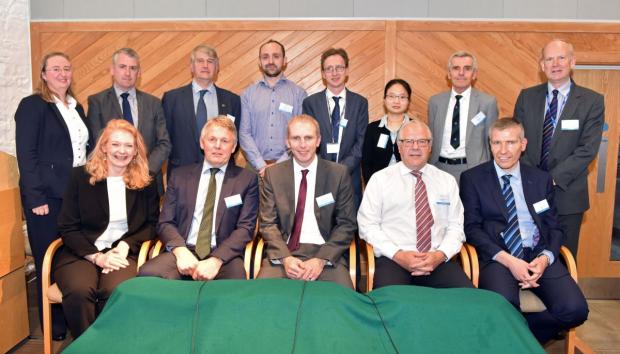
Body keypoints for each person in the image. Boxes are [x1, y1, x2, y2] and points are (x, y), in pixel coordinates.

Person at [460, 118, 588, 343]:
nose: (503, 151)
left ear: (523, 144)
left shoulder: (540, 179)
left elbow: (554, 227)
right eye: (496, 143)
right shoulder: (473, 179)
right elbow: (471, 228)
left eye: (510, 142)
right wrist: (510, 261)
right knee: (504, 307)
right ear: (490, 145)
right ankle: (517, 340)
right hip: (498, 257)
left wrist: (545, 259)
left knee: (575, 309)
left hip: (537, 253)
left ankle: (519, 339)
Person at [55, 119, 159, 338]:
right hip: (82, 252)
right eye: (115, 144)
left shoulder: (147, 181)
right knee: (79, 290)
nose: (122, 151)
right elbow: (67, 226)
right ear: (104, 146)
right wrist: (96, 257)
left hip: (123, 254)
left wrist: (125, 245)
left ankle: (112, 344)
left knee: (116, 291)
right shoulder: (80, 177)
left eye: (128, 146)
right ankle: (86, 345)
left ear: (135, 150)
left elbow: (152, 224)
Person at [15, 51, 90, 341]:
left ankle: (72, 319)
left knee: (70, 257)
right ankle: (53, 327)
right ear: (44, 74)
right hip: (46, 197)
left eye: (67, 68)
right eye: (55, 68)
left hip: (75, 195)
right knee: (48, 258)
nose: (62, 73)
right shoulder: (33, 106)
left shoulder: (75, 106)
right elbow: (27, 154)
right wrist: (35, 199)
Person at [514, 39, 604, 257]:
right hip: (529, 191)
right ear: (542, 65)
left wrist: (549, 179)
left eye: (561, 57)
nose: (555, 64)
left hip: (568, 194)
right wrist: (534, 179)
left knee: (564, 258)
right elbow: (517, 141)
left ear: (572, 62)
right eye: (549, 59)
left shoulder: (592, 101)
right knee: (528, 252)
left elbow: (587, 149)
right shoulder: (527, 97)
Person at [139, 117, 259, 280]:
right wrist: (180, 251)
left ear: (233, 147)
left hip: (224, 256)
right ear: (202, 143)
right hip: (184, 250)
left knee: (234, 289)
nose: (217, 145)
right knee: (149, 275)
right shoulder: (179, 176)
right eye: (212, 139)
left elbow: (246, 228)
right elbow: (165, 222)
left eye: (225, 141)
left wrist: (216, 260)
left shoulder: (247, 180)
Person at [358, 120, 472, 290]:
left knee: (468, 299)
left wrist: (440, 255)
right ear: (399, 146)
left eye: (422, 142)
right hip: (394, 259)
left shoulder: (446, 181)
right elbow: (368, 226)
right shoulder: (380, 180)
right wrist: (398, 255)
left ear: (430, 147)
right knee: (389, 304)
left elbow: (456, 227)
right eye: (409, 141)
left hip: (436, 260)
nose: (415, 147)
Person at [257, 115, 356, 288]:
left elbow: (346, 224)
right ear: (287, 142)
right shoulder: (273, 175)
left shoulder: (338, 174)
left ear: (318, 140)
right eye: (296, 138)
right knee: (261, 299)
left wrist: (320, 260)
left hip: (326, 254)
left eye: (308, 138)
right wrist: (286, 258)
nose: (302, 145)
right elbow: (267, 223)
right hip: (283, 252)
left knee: (341, 303)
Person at [87, 47, 171, 195]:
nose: (127, 73)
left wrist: (143, 170)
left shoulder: (154, 103)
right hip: (109, 180)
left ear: (138, 73)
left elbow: (164, 143)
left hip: (147, 181)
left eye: (133, 68)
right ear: (112, 70)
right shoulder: (97, 102)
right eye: (122, 67)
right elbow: (98, 141)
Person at [302, 48, 368, 207]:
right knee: (320, 227)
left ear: (346, 70)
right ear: (323, 74)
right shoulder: (311, 103)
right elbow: (309, 141)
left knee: (348, 228)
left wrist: (342, 169)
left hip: (349, 178)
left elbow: (361, 142)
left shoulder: (360, 103)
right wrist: (325, 169)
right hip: (319, 177)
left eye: (339, 67)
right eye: (329, 69)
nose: (334, 73)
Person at [162, 45, 241, 174]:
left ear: (217, 67)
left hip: (221, 173)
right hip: (181, 174)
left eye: (210, 61)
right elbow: (165, 139)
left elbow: (236, 140)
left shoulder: (232, 100)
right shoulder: (171, 99)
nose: (205, 65)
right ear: (192, 67)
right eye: (200, 61)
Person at [239, 39, 306, 177]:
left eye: (276, 56)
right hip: (254, 169)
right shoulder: (247, 94)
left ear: (284, 60)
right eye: (265, 57)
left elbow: (300, 135)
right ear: (259, 62)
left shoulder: (299, 94)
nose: (270, 61)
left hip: (289, 168)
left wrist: (281, 164)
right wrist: (260, 164)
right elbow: (244, 133)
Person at [428, 50, 498, 183]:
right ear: (449, 74)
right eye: (456, 68)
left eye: (467, 68)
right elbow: (430, 138)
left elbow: (491, 141)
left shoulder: (487, 103)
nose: (461, 73)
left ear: (474, 74)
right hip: (439, 169)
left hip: (474, 170)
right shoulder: (435, 102)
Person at [362, 78, 412, 183]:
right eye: (392, 96)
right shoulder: (372, 129)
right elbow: (366, 163)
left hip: (410, 185)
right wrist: (371, 187)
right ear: (384, 99)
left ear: (408, 101)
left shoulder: (416, 128)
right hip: (379, 186)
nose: (396, 101)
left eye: (402, 97)